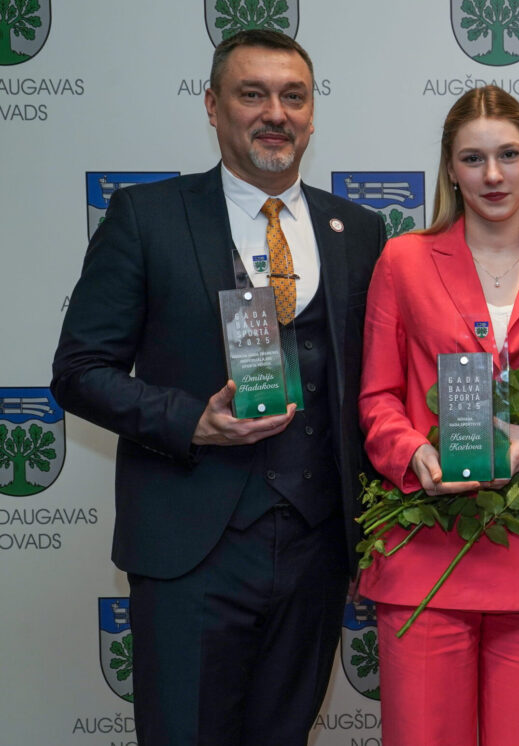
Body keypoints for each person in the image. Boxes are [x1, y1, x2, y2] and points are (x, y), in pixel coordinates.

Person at [50, 29, 385, 745]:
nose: (275, 114)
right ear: (211, 105)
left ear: (313, 112)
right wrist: (190, 420)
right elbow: (78, 372)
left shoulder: (359, 231)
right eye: (252, 94)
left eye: (293, 96)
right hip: (191, 550)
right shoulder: (147, 218)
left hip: (318, 551)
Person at [358, 84, 519, 746]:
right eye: (473, 159)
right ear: (450, 169)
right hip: (424, 548)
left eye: (508, 154)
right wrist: (415, 454)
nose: (493, 175)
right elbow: (378, 398)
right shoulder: (403, 260)